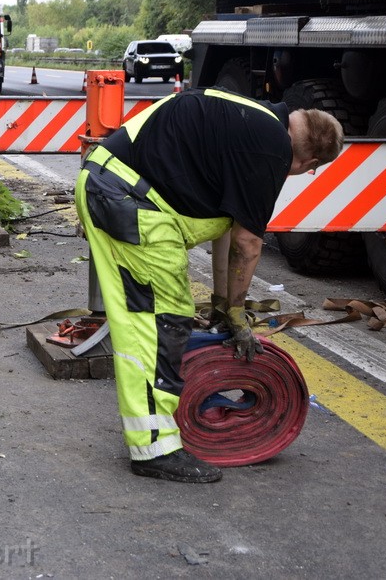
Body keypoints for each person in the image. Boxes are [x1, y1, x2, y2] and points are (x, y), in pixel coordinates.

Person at [75, 87, 343, 483]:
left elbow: (229, 231)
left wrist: (223, 303)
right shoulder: (272, 149)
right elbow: (248, 244)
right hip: (130, 203)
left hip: (119, 190)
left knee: (168, 316)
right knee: (156, 325)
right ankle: (153, 449)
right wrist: (236, 314)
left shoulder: (254, 118)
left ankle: (155, 430)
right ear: (312, 162)